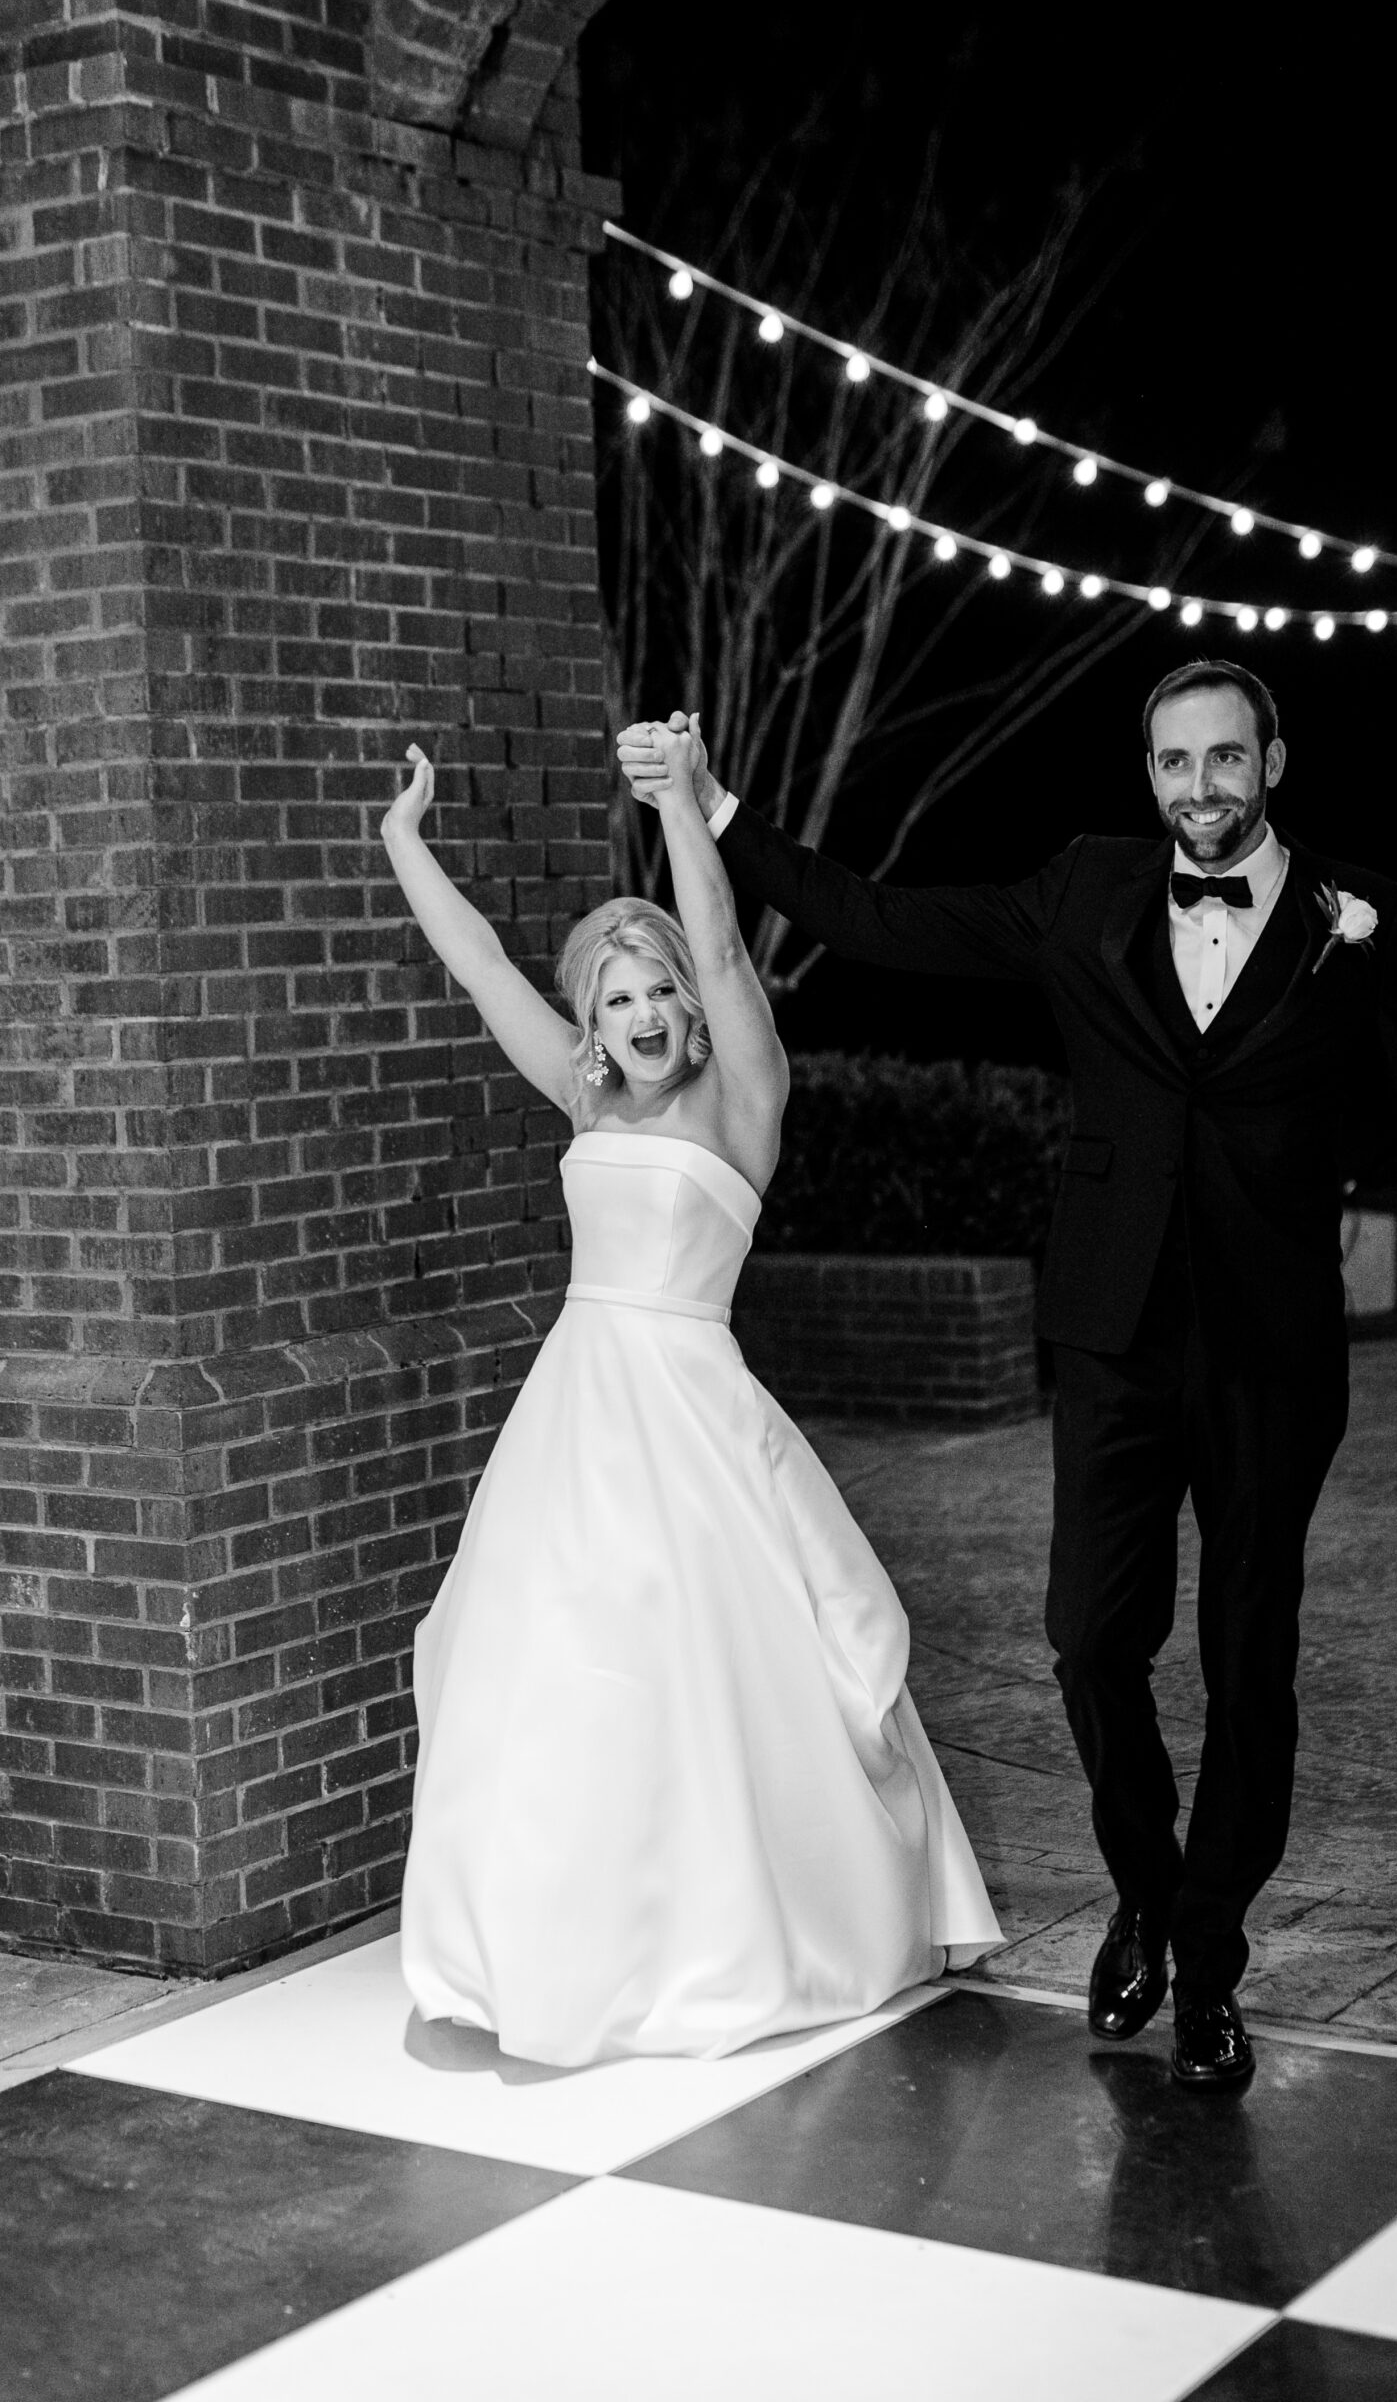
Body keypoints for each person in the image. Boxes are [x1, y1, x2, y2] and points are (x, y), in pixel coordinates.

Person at [620, 660, 1397, 2092]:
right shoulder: (1090, 888)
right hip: (1113, 1335)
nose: (1199, 790)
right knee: (1091, 1641)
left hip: (1276, 1352)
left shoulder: (1367, 919)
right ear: (1148, 774)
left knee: (1247, 1662)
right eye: (1174, 765)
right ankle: (1146, 1892)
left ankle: (1208, 1957)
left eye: (1226, 760)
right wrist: (717, 810)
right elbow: (880, 920)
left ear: (1273, 762)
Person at [379, 730, 1000, 2069]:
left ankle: (719, 1942)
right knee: (551, 1679)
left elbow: (726, 950)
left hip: (693, 1419)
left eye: (657, 990)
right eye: (615, 1000)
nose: (646, 1014)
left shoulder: (744, 1102)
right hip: (572, 1418)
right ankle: (550, 1943)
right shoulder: (582, 1095)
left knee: (699, 1676)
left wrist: (676, 810)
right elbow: (482, 963)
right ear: (592, 1025)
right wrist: (403, 846)